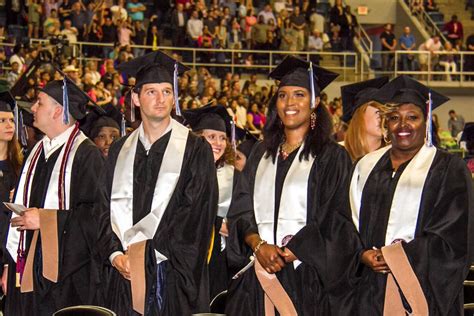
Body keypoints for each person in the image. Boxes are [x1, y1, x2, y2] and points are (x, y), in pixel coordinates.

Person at [225, 56, 358, 315]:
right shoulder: (261, 153)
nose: (290, 103)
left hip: (307, 279)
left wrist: (293, 251)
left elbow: (337, 218)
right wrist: (258, 245)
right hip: (257, 275)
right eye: (283, 95)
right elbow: (240, 208)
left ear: (315, 102)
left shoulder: (332, 157)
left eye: (299, 94)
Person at [97, 51, 218, 315]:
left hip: (169, 276)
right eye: (151, 92)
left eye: (166, 91)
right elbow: (102, 208)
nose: (160, 99)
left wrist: (146, 257)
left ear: (174, 97)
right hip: (122, 274)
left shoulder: (195, 149)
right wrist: (115, 254)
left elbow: (195, 215)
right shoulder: (119, 150)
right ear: (136, 98)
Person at [350, 75, 473, 315]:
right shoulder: (365, 166)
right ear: (387, 125)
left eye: (412, 117)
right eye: (394, 118)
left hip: (423, 292)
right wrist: (360, 253)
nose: (402, 125)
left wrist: (397, 257)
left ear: (426, 121)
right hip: (368, 292)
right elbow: (345, 222)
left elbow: (454, 237)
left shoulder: (448, 169)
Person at [3, 75, 105, 315]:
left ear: (58, 110)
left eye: (39, 102)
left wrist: (47, 220)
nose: (34, 108)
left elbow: (95, 217)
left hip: (67, 276)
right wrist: (11, 266)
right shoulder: (36, 152)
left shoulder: (86, 156)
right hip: (28, 268)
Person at [182, 105, 236, 310]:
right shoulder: (183, 172)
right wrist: (216, 221)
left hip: (219, 259)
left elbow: (243, 217)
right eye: (211, 136)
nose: (218, 143)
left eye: (222, 138)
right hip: (188, 255)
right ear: (197, 137)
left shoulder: (233, 176)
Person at [0, 92, 24, 298]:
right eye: (2, 120)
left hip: (8, 252)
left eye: (11, 120)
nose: (10, 125)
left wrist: (9, 264)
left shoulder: (21, 167)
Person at [340, 76, 389, 161]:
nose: (384, 119)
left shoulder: (393, 158)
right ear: (360, 116)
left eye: (387, 114)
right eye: (378, 112)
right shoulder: (338, 155)